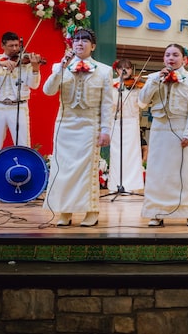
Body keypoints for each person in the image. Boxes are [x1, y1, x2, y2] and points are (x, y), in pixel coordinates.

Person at [42, 28, 113, 227]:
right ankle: (65, 211)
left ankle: (92, 210)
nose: (80, 43)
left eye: (85, 40)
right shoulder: (61, 66)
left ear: (93, 46)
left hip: (90, 125)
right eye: (76, 40)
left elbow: (107, 103)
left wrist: (106, 130)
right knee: (64, 169)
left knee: (87, 170)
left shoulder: (105, 70)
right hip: (65, 125)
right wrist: (60, 69)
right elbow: (48, 91)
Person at [138, 44, 188, 227]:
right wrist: (153, 81)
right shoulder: (153, 78)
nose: (171, 58)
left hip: (181, 130)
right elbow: (142, 103)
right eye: (167, 55)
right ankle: (156, 212)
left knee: (185, 172)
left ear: (184, 59)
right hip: (159, 130)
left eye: (175, 55)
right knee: (158, 173)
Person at [0, 31, 43, 198]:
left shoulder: (25, 62)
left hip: (18, 106)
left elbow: (34, 85)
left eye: (17, 46)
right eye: (11, 46)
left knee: (23, 145)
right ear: (3, 45)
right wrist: (0, 64)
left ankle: (27, 186)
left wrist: (35, 69)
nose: (15, 49)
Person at [107, 59, 145, 194]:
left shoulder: (137, 85)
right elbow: (107, 104)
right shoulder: (111, 84)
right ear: (117, 70)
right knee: (116, 154)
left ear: (131, 70)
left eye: (128, 68)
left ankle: (131, 185)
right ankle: (116, 184)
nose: (125, 70)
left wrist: (142, 88)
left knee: (132, 154)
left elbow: (143, 105)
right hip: (116, 122)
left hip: (132, 122)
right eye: (121, 68)